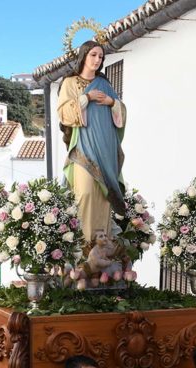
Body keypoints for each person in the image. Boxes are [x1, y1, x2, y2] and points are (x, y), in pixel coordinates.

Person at [58, 40, 127, 241]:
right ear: (84, 56)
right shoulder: (70, 83)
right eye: (94, 55)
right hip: (82, 149)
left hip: (105, 148)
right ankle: (84, 248)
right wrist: (86, 98)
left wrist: (111, 102)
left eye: (101, 57)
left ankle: (102, 246)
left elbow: (122, 112)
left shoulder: (105, 84)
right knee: (85, 193)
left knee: (104, 197)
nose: (98, 60)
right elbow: (64, 113)